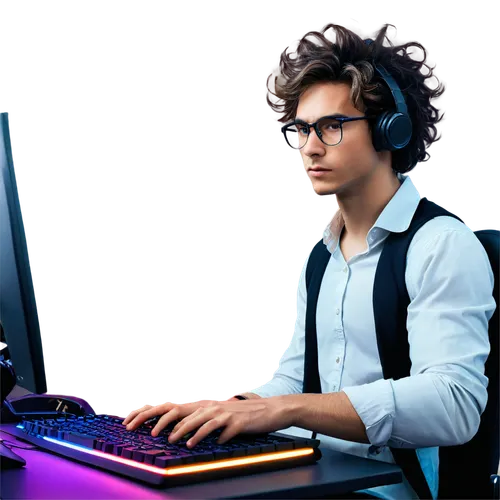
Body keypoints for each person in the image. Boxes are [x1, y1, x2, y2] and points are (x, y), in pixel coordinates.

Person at [122, 23, 495, 499]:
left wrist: (288, 410)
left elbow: (454, 404)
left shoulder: (441, 245)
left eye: (331, 127)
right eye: (301, 130)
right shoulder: (322, 255)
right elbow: (297, 381)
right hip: (317, 477)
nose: (309, 148)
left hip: (386, 491)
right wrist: (226, 408)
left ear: (390, 130)